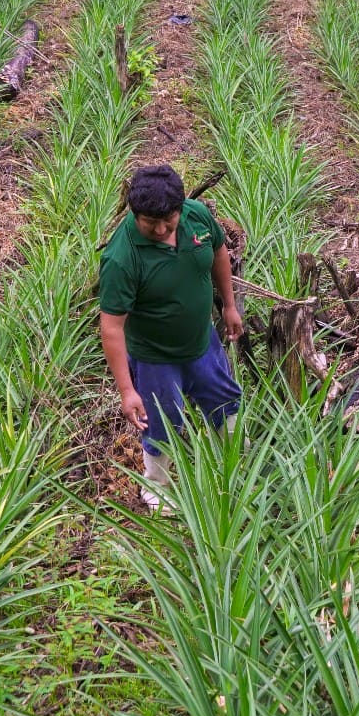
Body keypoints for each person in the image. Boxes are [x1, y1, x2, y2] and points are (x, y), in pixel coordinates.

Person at [98, 165, 244, 511]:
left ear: (180, 208)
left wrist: (229, 305)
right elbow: (111, 328)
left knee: (224, 400)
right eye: (151, 223)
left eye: (169, 220)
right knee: (161, 422)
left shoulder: (196, 216)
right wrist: (127, 390)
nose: (162, 229)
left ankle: (234, 462)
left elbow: (219, 253)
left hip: (202, 341)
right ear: (135, 214)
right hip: (155, 356)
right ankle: (157, 486)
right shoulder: (121, 258)